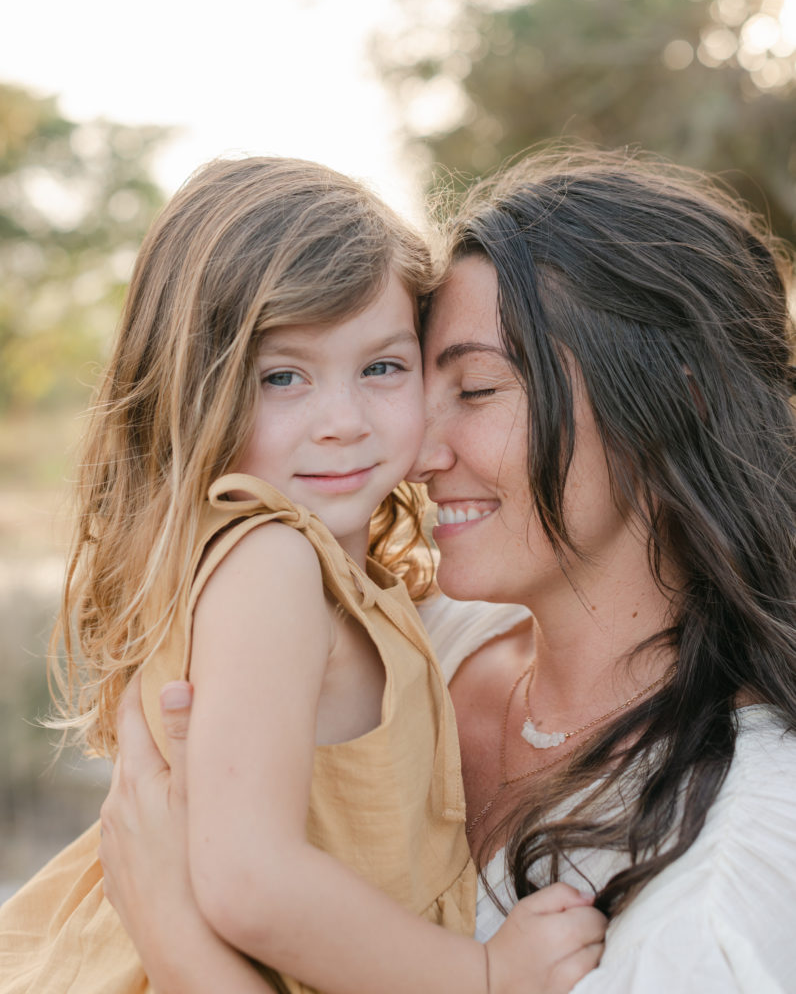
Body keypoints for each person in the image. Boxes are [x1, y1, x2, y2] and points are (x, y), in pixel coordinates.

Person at [97, 146, 796, 992]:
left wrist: (183, 951)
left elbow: (208, 888)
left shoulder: (730, 872)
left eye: (474, 391)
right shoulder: (404, 629)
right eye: (284, 377)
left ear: (668, 404)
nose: (416, 454)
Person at [0, 156, 606, 994]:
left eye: (383, 368)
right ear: (195, 394)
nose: (343, 423)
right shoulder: (271, 563)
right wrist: (485, 975)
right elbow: (249, 880)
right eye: (283, 377)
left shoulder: (332, 575)